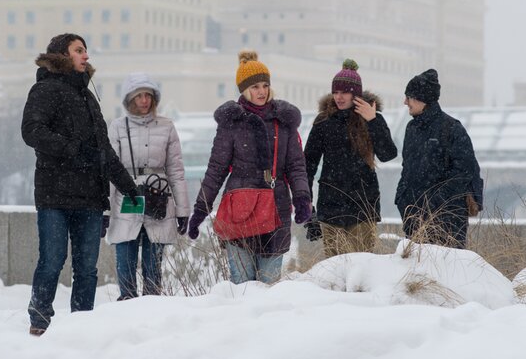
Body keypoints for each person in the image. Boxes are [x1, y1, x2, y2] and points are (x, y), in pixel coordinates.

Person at [21, 33, 139, 336]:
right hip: (54, 194)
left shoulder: (88, 97)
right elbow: (32, 131)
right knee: (52, 260)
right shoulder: (45, 90)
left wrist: (128, 186)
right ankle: (39, 320)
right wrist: (73, 149)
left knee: (87, 269)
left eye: (86, 51)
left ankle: (81, 326)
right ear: (62, 55)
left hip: (90, 195)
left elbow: (103, 151)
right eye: (79, 50)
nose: (86, 56)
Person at [186, 50, 312, 284]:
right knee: (242, 287)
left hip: (276, 208)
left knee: (268, 284)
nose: (261, 91)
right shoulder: (232, 123)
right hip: (240, 210)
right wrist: (200, 211)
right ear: (244, 89)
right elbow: (216, 170)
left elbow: (296, 166)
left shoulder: (283, 122)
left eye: (265, 85)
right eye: (255, 87)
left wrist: (302, 198)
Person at [105, 73, 191, 300]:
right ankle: (127, 302)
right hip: (128, 196)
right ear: (129, 99)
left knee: (154, 264)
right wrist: (104, 209)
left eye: (148, 95)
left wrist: (183, 211)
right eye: (139, 96)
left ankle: (152, 308)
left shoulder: (167, 126)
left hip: (157, 196)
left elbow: (176, 170)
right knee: (125, 257)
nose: (144, 100)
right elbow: (108, 171)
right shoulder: (117, 127)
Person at [303, 60, 398, 257]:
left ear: (355, 94)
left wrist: (372, 121)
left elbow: (388, 154)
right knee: (335, 271)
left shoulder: (372, 118)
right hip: (331, 207)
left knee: (362, 270)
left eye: (344, 92)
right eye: (335, 92)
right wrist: (308, 209)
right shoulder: (323, 121)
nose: (339, 97)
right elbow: (307, 167)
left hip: (363, 206)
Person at [394, 69, 479, 249]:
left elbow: (463, 173)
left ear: (421, 99)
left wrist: (433, 203)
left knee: (446, 273)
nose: (405, 102)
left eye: (408, 97)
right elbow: (407, 169)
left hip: (447, 221)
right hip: (414, 219)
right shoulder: (411, 128)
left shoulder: (452, 128)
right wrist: (401, 198)